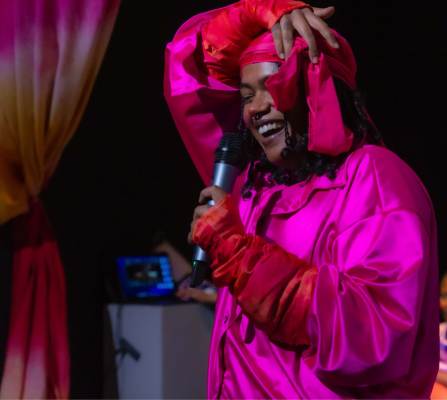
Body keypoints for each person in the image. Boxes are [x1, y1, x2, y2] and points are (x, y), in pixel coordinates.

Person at [164, 0, 439, 398]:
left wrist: (239, 256)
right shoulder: (257, 185)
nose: (255, 109)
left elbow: (372, 337)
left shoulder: (374, 178)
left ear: (318, 90)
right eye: (245, 96)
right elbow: (186, 69)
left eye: (271, 87)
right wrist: (262, 12)